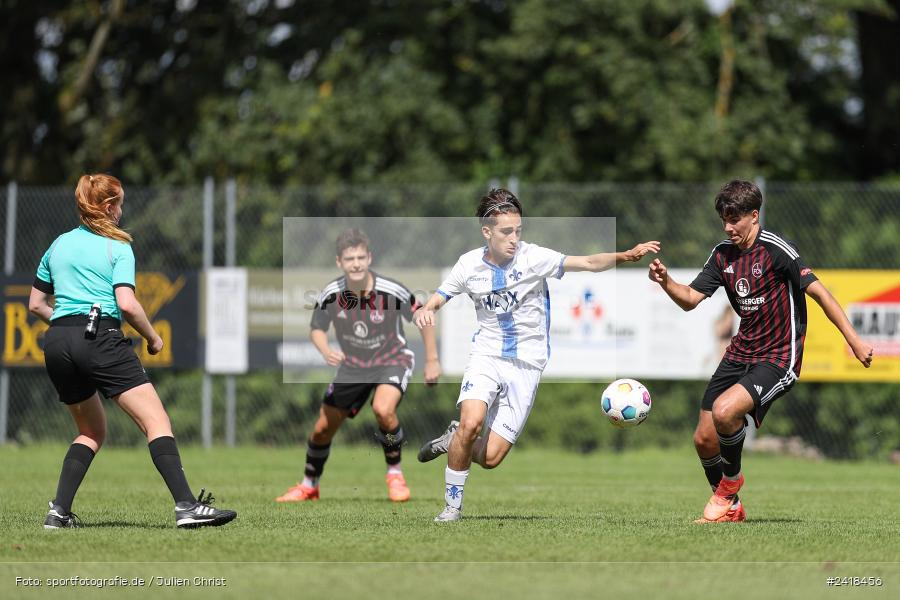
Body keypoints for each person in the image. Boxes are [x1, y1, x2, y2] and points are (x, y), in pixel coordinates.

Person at [413, 188, 660, 522]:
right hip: (486, 355)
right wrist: (428, 310)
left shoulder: (533, 257)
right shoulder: (468, 265)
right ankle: (451, 508)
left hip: (527, 364)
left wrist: (626, 255)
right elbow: (438, 298)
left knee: (491, 458)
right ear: (487, 232)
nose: (514, 238)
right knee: (472, 422)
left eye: (518, 230)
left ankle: (454, 439)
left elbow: (586, 262)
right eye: (506, 232)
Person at [647, 179, 874, 523]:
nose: (727, 226)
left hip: (779, 357)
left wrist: (853, 340)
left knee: (725, 412)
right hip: (739, 354)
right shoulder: (722, 254)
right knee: (704, 439)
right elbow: (691, 300)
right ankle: (730, 506)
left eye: (734, 219)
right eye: (723, 218)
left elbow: (821, 294)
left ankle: (729, 487)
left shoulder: (777, 250)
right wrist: (666, 282)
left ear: (754, 216)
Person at [29, 174, 237, 529]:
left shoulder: (59, 244)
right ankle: (186, 507)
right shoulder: (118, 246)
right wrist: (153, 337)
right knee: (156, 421)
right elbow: (126, 304)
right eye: (120, 204)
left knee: (91, 431)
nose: (122, 211)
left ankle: (58, 512)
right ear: (108, 208)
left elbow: (36, 304)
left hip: (58, 341)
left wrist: (68, 324)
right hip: (99, 337)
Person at [276, 228, 442, 503]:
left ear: (369, 258)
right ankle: (309, 486)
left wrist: (433, 360)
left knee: (383, 409)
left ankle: (395, 475)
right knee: (321, 429)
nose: (356, 263)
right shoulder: (332, 293)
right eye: (349, 258)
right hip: (353, 366)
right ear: (339, 262)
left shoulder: (390, 290)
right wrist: (325, 349)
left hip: (392, 359)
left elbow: (423, 316)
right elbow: (316, 328)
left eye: (360, 257)